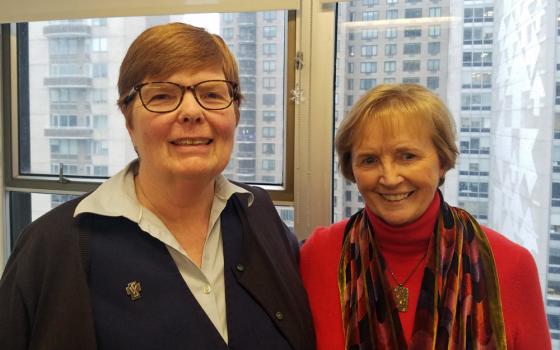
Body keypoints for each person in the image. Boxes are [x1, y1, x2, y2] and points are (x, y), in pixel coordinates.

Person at [0, 23, 315, 350]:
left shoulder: (258, 214)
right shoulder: (52, 247)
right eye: (163, 95)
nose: (192, 112)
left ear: (235, 112)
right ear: (127, 119)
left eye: (212, 94)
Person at [300, 84, 550, 349]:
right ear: (352, 169)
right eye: (369, 160)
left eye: (407, 156)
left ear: (442, 160)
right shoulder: (317, 256)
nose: (390, 178)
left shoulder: (510, 266)